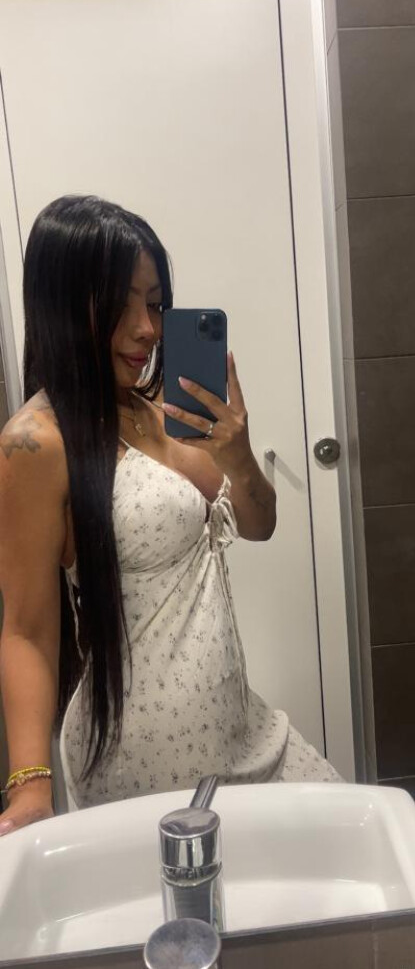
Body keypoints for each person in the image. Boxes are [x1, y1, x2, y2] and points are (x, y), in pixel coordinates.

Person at [0, 195, 340, 836]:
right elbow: (26, 631)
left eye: (155, 303)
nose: (147, 328)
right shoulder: (36, 442)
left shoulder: (161, 407)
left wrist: (239, 456)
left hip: (243, 729)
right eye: (120, 302)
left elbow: (260, 524)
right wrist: (30, 787)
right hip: (142, 761)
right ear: (63, 303)